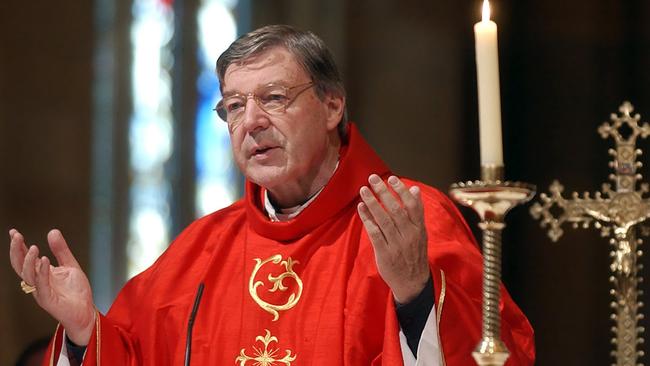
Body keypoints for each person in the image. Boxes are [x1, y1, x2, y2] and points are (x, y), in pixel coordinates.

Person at [9, 24, 534, 365]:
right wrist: (84, 331)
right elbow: (132, 352)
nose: (251, 122)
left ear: (332, 107)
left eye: (274, 98)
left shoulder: (408, 218)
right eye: (234, 106)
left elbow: (495, 352)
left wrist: (416, 293)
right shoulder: (201, 250)